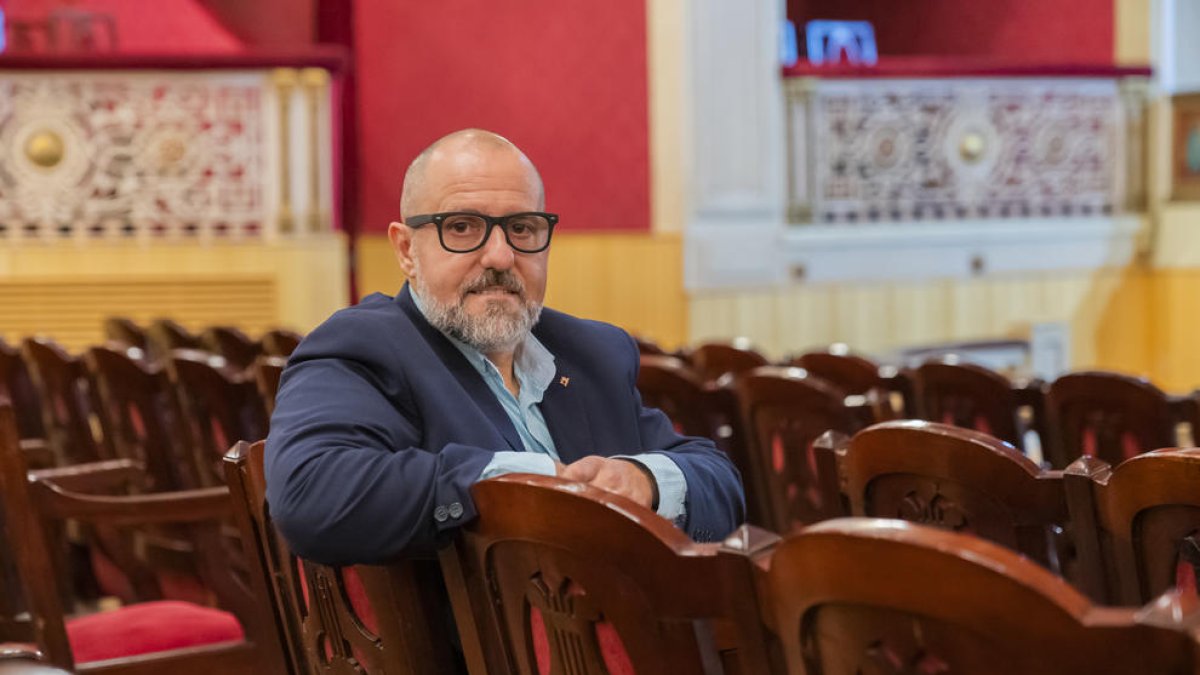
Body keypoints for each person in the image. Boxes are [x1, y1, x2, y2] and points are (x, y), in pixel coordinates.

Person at [265, 129, 744, 565]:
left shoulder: (591, 351)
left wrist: (644, 481)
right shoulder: (364, 348)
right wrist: (528, 485)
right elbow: (311, 495)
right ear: (407, 249)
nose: (500, 256)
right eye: (462, 227)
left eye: (523, 229)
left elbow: (717, 479)